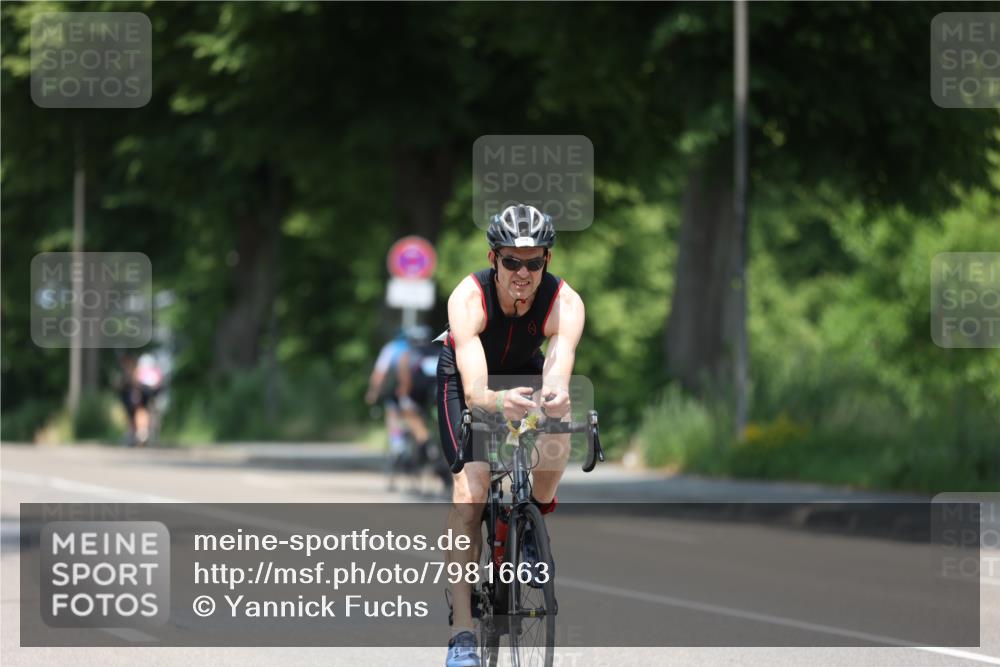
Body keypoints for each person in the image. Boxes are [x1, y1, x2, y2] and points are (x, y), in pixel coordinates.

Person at [437, 204, 585, 667]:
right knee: (472, 489)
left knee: (557, 434)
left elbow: (558, 365)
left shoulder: (565, 302)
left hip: (523, 371)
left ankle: (528, 524)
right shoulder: (468, 298)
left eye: (534, 262)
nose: (523, 273)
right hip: (465, 379)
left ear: (547, 261)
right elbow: (477, 386)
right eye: (512, 262)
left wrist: (556, 398)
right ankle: (462, 634)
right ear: (493, 258)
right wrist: (498, 403)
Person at [365, 330, 411, 472]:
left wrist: (373, 392)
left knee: (392, 413)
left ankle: (397, 445)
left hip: (396, 389)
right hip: (417, 389)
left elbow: (380, 373)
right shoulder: (414, 348)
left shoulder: (391, 348)